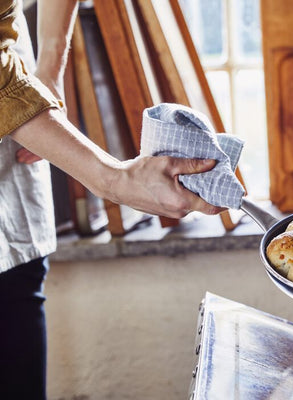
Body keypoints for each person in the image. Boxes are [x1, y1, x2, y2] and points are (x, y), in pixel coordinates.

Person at [0, 1, 225, 398]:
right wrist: (112, 180)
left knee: (15, 284)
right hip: (11, 86)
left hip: (16, 95)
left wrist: (49, 71)